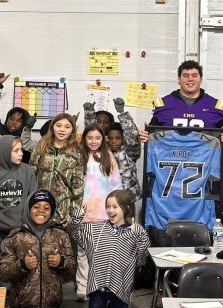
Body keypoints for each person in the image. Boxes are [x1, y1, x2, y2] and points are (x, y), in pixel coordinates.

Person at [68, 190, 150, 308]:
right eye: (107, 206)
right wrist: (77, 217)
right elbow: (75, 233)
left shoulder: (134, 232)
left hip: (121, 288)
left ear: (125, 208)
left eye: (115, 207)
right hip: (98, 288)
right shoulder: (96, 229)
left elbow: (143, 254)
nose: (110, 210)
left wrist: (141, 234)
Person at [0, 190, 75, 308]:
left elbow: (71, 269)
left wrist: (61, 262)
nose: (41, 210)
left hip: (53, 304)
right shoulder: (15, 237)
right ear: (28, 209)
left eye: (46, 208)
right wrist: (22, 265)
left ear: (51, 212)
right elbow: (3, 273)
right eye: (36, 207)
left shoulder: (61, 235)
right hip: (21, 305)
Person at [0, 135, 37, 286]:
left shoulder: (27, 171)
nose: (21, 154)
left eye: (21, 150)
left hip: (19, 231)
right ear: (4, 152)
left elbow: (33, 198)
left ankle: (10, 297)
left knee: (14, 271)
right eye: (16, 151)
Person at [75, 124, 122, 301]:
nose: (93, 141)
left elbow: (116, 184)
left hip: (104, 213)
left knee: (102, 253)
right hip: (83, 212)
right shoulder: (78, 156)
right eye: (90, 138)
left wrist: (116, 209)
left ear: (103, 139)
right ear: (84, 139)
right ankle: (82, 287)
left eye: (97, 138)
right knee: (83, 252)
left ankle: (100, 286)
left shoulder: (108, 157)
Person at [139, 60, 223, 144]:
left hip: (204, 156)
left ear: (201, 79)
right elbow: (151, 135)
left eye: (194, 75)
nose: (190, 79)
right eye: (185, 75)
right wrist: (145, 136)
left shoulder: (215, 106)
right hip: (170, 155)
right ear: (179, 79)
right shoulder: (164, 104)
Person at [21, 113, 84, 224]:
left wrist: (73, 214)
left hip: (62, 211)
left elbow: (77, 186)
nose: (62, 130)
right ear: (52, 127)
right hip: (39, 207)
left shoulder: (76, 152)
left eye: (67, 127)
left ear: (72, 130)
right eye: (58, 125)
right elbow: (31, 177)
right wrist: (27, 205)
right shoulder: (41, 147)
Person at [85, 98, 142, 203]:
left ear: (123, 138)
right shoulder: (102, 150)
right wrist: (89, 114)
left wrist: (122, 113)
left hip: (127, 198)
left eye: (118, 138)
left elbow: (131, 134)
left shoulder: (129, 152)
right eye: (111, 138)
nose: (114, 141)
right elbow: (92, 133)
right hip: (106, 197)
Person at [0, 72, 32, 161]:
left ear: (24, 123)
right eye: (11, 118)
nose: (13, 122)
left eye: (19, 121)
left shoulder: (25, 142)